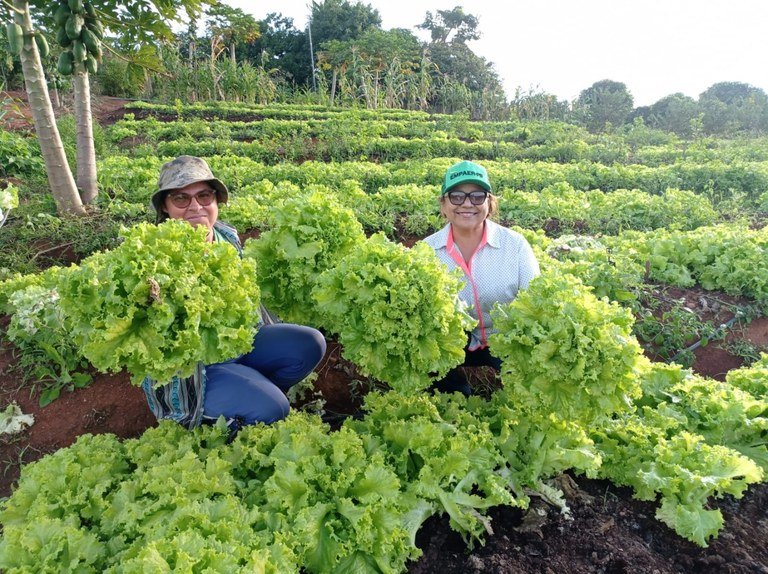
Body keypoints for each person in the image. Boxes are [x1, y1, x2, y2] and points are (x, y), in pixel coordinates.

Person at [143, 155, 327, 430]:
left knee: (310, 342)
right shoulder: (149, 256)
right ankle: (219, 420)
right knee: (274, 408)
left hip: (238, 343)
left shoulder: (226, 237)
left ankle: (249, 391)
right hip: (194, 371)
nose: (195, 206)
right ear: (166, 208)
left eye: (204, 196)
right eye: (181, 199)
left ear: (216, 201)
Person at [423, 160, 540, 396]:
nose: (467, 204)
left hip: (505, 340)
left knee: (529, 382)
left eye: (477, 196)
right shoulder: (426, 251)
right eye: (456, 196)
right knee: (425, 353)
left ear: (490, 203)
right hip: (452, 343)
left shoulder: (515, 245)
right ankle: (455, 391)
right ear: (443, 205)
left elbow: (537, 302)